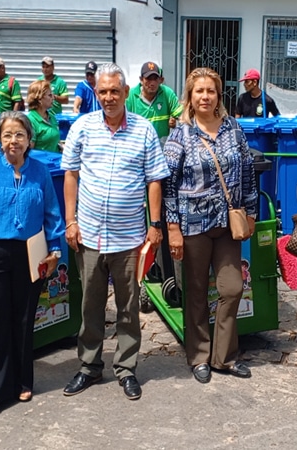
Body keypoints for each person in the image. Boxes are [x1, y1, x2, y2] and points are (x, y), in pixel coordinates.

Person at [61, 63, 168, 400]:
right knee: (90, 305)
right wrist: (70, 221)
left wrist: (154, 225)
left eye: (114, 91)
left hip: (130, 237)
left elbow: (154, 180)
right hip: (89, 234)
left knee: (127, 306)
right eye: (103, 92)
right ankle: (90, 366)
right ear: (97, 93)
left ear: (125, 93)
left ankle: (126, 368)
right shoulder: (82, 127)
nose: (108, 97)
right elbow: (71, 176)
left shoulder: (144, 130)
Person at [0, 111, 65, 418]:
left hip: (30, 253)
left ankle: (21, 381)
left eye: (19, 135)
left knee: (23, 319)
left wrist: (54, 250)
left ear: (29, 140)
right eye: (7, 135)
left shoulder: (40, 171)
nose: (13, 141)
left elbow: (52, 213)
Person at [163, 67, 258, 384]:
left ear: (219, 95)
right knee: (197, 292)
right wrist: (173, 227)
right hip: (193, 224)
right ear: (190, 96)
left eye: (211, 91)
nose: (205, 96)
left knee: (232, 288)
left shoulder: (233, 128)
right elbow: (168, 185)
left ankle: (224, 357)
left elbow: (247, 171)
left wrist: (252, 212)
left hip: (228, 221)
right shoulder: (181, 134)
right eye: (199, 91)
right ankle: (200, 356)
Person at [125, 61, 183, 138]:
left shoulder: (167, 93)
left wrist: (175, 121)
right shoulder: (130, 96)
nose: (152, 83)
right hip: (138, 145)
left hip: (161, 146)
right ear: (141, 80)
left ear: (161, 80)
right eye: (148, 79)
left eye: (155, 79)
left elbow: (181, 115)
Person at [26, 80, 61, 152]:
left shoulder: (51, 117)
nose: (53, 98)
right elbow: (29, 151)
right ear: (39, 98)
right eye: (50, 95)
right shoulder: (30, 121)